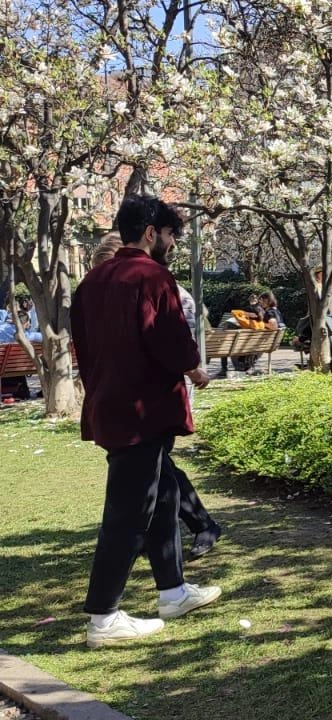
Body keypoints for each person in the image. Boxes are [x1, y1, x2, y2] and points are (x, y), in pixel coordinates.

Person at [70, 195, 222, 648]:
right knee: (129, 510)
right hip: (142, 408)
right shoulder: (151, 275)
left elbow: (84, 344)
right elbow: (169, 338)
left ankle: (173, 591)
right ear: (151, 232)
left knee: (165, 493)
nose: (174, 243)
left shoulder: (92, 280)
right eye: (172, 235)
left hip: (111, 405)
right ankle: (103, 616)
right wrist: (195, 369)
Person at [90, 233, 223, 559]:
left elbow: (174, 342)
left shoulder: (162, 289)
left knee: (153, 464)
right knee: (154, 466)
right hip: (128, 395)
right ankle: (190, 528)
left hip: (160, 394)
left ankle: (169, 535)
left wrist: (193, 371)